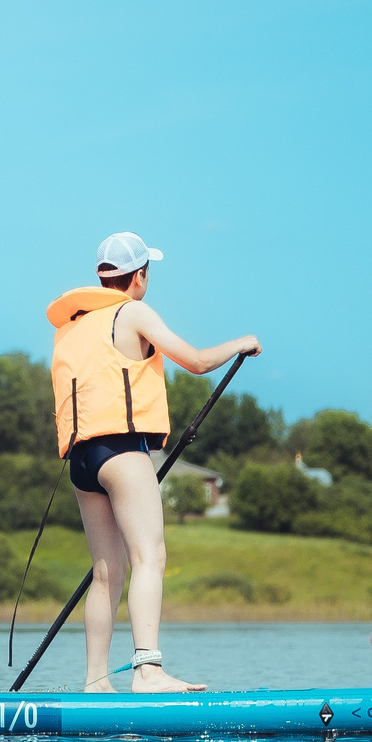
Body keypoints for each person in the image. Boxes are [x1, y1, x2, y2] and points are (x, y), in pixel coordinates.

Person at [49, 232, 261, 693]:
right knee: (151, 556)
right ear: (139, 275)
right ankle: (148, 671)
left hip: (82, 462)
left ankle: (95, 682)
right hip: (122, 453)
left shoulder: (74, 325)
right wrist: (241, 343)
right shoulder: (133, 311)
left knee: (106, 573)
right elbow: (199, 362)